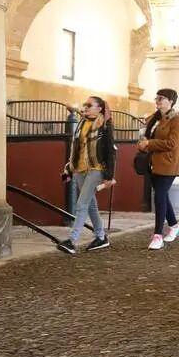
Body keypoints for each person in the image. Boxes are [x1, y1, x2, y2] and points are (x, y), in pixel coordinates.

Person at [56, 96, 116, 255]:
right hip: (79, 169)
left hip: (96, 169)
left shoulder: (104, 125)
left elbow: (111, 151)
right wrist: (68, 169)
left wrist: (109, 176)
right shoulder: (81, 123)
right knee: (90, 205)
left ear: (100, 108)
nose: (86, 107)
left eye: (89, 105)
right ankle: (101, 237)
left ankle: (72, 241)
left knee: (81, 204)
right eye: (84, 105)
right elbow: (75, 148)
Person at [138, 88, 179, 250]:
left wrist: (149, 144)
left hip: (168, 163)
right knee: (162, 195)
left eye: (162, 98)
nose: (157, 100)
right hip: (152, 163)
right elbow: (146, 137)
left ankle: (157, 236)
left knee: (159, 196)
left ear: (171, 101)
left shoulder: (177, 119)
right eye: (156, 97)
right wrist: (143, 143)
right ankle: (174, 226)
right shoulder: (153, 118)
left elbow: (172, 144)